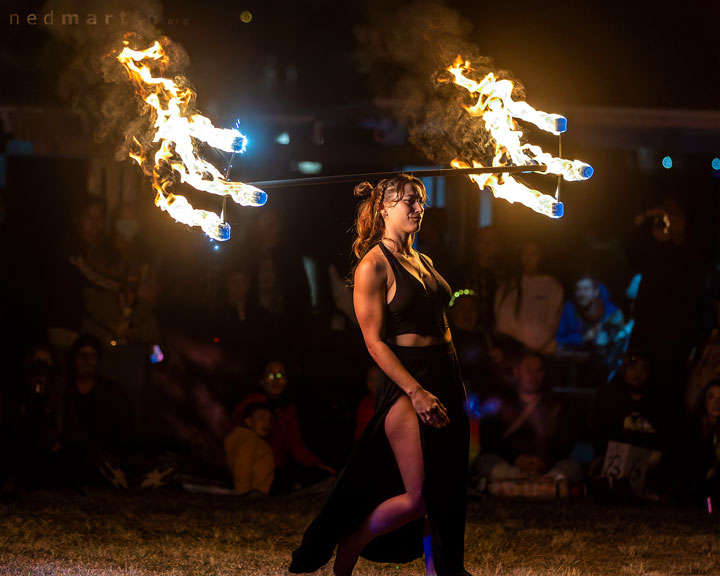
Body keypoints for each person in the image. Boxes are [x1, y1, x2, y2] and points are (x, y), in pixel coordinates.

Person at [290, 175, 471, 576]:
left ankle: (440, 570)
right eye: (407, 201)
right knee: (420, 495)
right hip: (408, 382)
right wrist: (416, 391)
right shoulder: (373, 266)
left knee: (447, 489)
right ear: (384, 208)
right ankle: (353, 539)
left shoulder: (424, 260)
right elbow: (374, 343)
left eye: (420, 201)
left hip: (445, 373)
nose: (417, 209)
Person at [495, 239, 563, 354]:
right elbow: (503, 323)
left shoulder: (553, 287)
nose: (528, 258)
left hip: (540, 356)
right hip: (512, 354)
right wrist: (518, 348)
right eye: (524, 253)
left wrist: (533, 349)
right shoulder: (508, 287)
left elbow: (552, 323)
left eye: (533, 253)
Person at [224, 402, 275, 495]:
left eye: (269, 420)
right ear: (248, 421)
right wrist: (244, 494)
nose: (266, 423)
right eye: (261, 418)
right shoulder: (250, 440)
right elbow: (242, 467)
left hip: (256, 493)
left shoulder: (252, 440)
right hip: (250, 494)